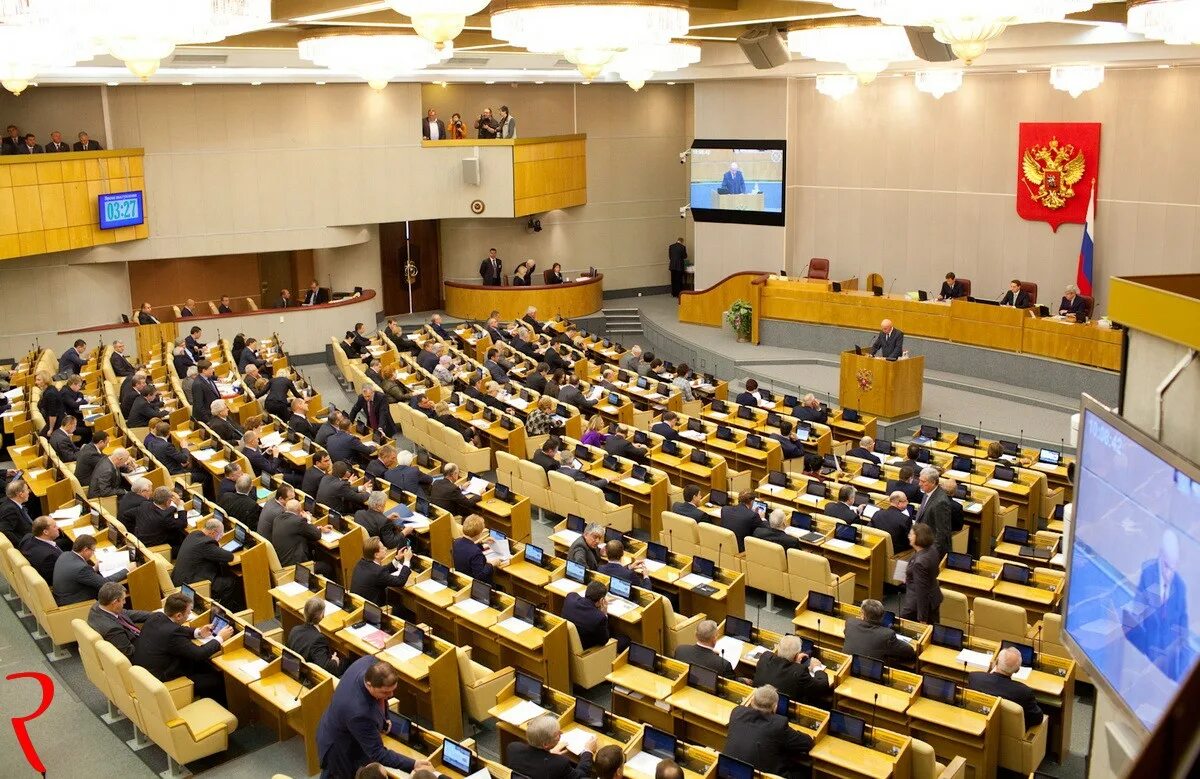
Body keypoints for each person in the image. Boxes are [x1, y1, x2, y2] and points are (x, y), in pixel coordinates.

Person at [317, 655, 434, 778]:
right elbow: (377, 753)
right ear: (369, 684)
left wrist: (385, 717)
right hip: (339, 748)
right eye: (385, 692)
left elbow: (382, 699)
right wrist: (413, 764)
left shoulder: (370, 663)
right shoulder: (359, 713)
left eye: (393, 690)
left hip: (350, 731)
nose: (390, 695)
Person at [132, 592, 232, 704]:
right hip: (162, 678)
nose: (189, 615)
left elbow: (178, 629)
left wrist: (199, 632)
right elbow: (200, 654)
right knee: (217, 680)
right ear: (178, 615)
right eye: (188, 613)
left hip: (148, 670)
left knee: (204, 665)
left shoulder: (156, 617)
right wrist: (220, 638)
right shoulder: (173, 633)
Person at [1125, 530, 1189, 680]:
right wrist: (1142, 657)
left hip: (1168, 663)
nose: (1169, 574)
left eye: (1174, 568)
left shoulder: (1180, 586)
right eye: (1167, 567)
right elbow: (1136, 615)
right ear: (1161, 556)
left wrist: (1182, 676)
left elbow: (1183, 634)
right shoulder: (1148, 574)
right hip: (1146, 655)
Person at [724, 685, 813, 779]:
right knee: (806, 771)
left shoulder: (737, 712)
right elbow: (807, 743)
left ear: (752, 701)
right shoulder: (778, 725)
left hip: (731, 773)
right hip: (766, 776)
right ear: (775, 707)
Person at [173, 518, 244, 608]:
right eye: (220, 534)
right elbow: (229, 556)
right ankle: (222, 611)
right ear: (213, 533)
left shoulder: (194, 534)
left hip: (180, 577)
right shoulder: (206, 543)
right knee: (229, 582)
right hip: (190, 583)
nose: (221, 537)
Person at [967, 646, 1044, 729]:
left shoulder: (974, 678)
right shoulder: (1024, 692)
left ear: (996, 662)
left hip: (976, 725)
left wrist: (990, 672)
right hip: (1008, 733)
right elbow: (1037, 718)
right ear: (1017, 670)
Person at [507, 714, 596, 779]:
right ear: (546, 744)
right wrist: (588, 751)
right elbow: (581, 775)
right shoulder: (560, 763)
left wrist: (549, 754)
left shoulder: (513, 748)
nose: (561, 734)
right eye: (557, 734)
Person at [753, 633, 831, 707]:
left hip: (760, 700)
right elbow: (822, 687)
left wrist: (795, 662)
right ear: (797, 655)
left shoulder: (765, 657)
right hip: (786, 707)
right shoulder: (799, 671)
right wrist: (816, 667)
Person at [53, 534, 127, 606]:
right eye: (93, 550)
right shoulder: (82, 568)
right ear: (85, 550)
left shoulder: (65, 554)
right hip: (72, 602)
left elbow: (77, 573)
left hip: (62, 595)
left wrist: (94, 568)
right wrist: (127, 570)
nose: (93, 553)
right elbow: (105, 583)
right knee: (110, 591)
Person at [842, 598, 917, 667]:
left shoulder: (850, 623)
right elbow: (909, 651)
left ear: (862, 614)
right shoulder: (887, 634)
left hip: (846, 667)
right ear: (882, 617)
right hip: (870, 672)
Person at [88, 582, 150, 658]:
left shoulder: (99, 606)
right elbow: (130, 652)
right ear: (115, 602)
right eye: (123, 599)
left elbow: (126, 613)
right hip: (137, 652)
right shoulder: (112, 629)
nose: (125, 602)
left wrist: (155, 614)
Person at [288, 596, 344, 676]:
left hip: (298, 669)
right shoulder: (318, 639)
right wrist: (334, 661)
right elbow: (325, 669)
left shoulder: (294, 630)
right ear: (322, 616)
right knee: (347, 661)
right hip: (310, 675)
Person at [900, 523, 943, 624]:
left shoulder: (920, 563)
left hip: (917, 604)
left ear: (919, 537)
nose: (908, 536)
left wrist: (922, 618)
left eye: (911, 534)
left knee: (902, 626)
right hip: (933, 596)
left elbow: (921, 591)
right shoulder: (931, 549)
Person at [351, 537, 413, 605]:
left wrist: (397, 559)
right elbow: (400, 581)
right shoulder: (378, 572)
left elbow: (381, 571)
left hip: (360, 603)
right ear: (376, 555)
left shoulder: (361, 563)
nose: (386, 548)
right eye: (383, 548)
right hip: (373, 609)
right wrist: (407, 560)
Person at [135, 486, 189, 554]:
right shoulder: (163, 517)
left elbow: (164, 513)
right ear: (168, 502)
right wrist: (180, 506)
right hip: (157, 549)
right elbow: (183, 523)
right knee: (189, 547)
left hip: (144, 540)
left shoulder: (145, 505)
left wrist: (173, 505)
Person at [914, 465, 952, 558]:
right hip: (922, 545)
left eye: (923, 481)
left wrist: (930, 554)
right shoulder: (927, 491)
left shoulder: (941, 502)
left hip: (932, 551)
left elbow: (942, 532)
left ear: (933, 482)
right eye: (920, 480)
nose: (919, 484)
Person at [562, 581, 612, 650]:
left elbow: (576, 595)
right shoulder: (600, 617)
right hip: (586, 650)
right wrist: (604, 614)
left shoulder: (570, 597)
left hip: (565, 642)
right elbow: (603, 641)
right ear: (601, 600)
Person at [20, 516, 70, 582]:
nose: (58, 527)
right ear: (46, 532)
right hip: (59, 581)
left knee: (67, 542)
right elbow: (58, 578)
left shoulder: (27, 538)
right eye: (55, 526)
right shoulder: (49, 557)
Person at [452, 514, 495, 582]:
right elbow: (480, 577)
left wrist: (482, 543)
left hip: (462, 579)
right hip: (473, 584)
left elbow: (467, 549)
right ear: (479, 533)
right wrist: (491, 564)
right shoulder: (476, 552)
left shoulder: (456, 542)